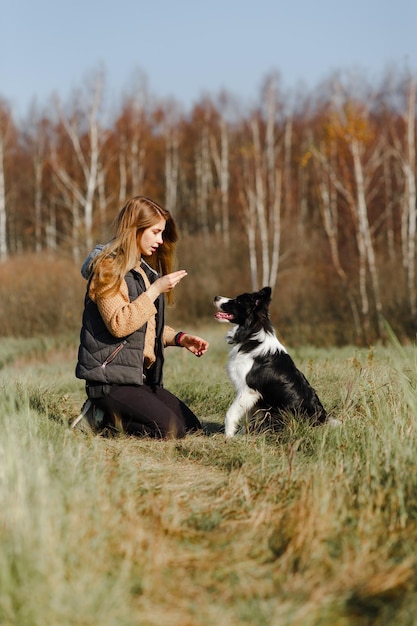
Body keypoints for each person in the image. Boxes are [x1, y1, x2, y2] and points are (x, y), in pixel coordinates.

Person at [75, 195, 209, 439]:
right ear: (135, 228)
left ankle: (112, 416)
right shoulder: (107, 269)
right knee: (172, 432)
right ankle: (100, 418)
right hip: (109, 382)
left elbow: (145, 323)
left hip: (137, 378)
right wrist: (155, 289)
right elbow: (120, 323)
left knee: (192, 427)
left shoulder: (140, 271)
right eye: (156, 232)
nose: (160, 240)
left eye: (162, 234)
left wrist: (180, 338)